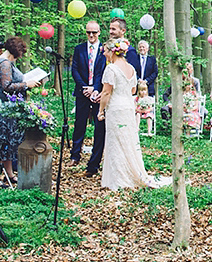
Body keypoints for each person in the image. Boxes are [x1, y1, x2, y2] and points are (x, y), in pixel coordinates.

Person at [97, 37, 170, 190]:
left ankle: (119, 178)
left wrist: (101, 110)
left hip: (115, 108)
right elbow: (133, 90)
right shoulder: (131, 68)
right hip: (128, 107)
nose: (104, 54)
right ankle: (130, 173)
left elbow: (106, 93)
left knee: (115, 142)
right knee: (128, 141)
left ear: (112, 52)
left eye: (105, 51)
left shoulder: (111, 68)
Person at [0, 36, 43, 186]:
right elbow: (7, 86)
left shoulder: (4, 61)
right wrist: (26, 84)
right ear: (15, 52)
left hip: (3, 106)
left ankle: (7, 174)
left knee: (4, 140)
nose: (21, 56)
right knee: (4, 139)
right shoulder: (5, 63)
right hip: (4, 107)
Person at [70, 21, 105, 170]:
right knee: (79, 124)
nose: (91, 35)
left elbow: (102, 72)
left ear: (99, 33)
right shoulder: (79, 49)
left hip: (98, 93)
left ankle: (95, 159)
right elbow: (75, 69)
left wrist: (95, 88)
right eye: (89, 32)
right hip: (82, 90)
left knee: (99, 126)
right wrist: (84, 87)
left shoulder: (104, 50)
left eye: (94, 32)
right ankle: (75, 154)